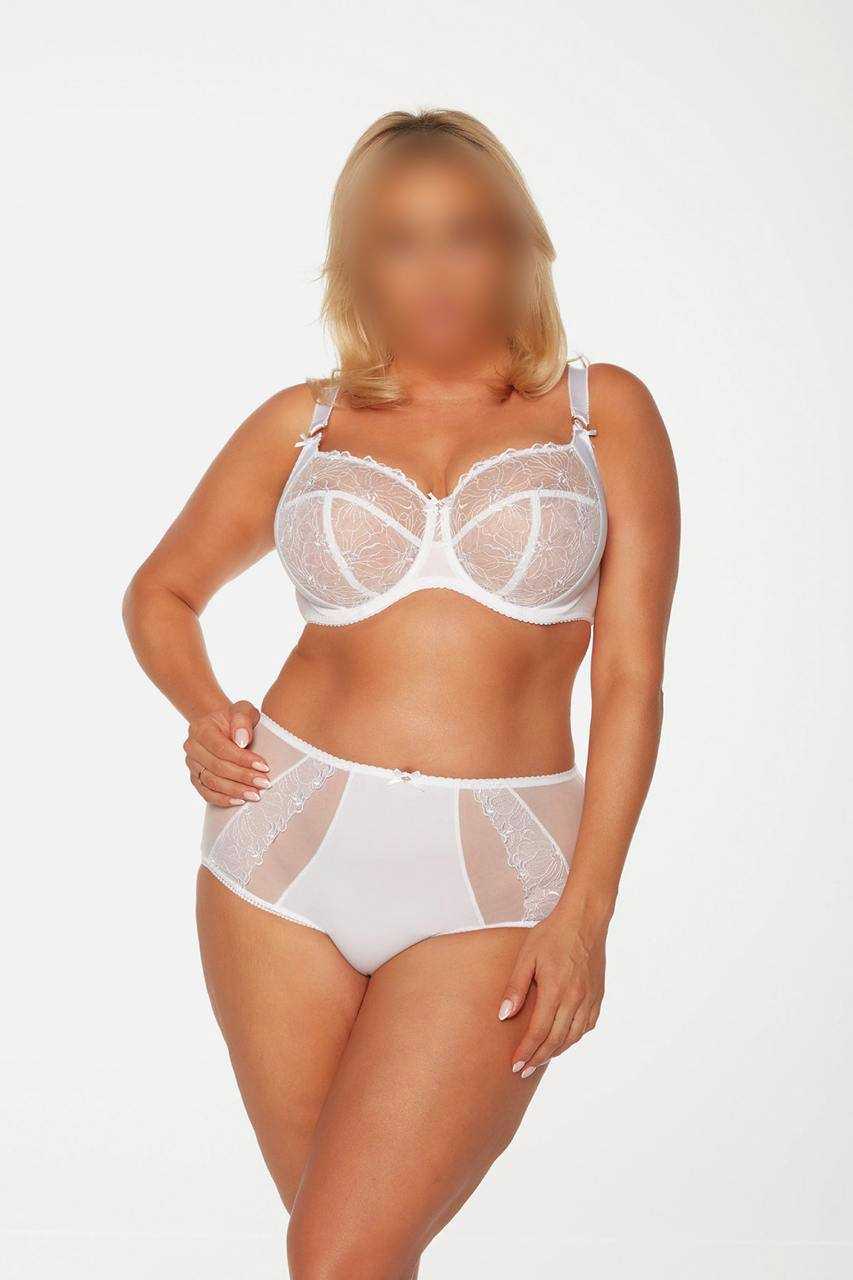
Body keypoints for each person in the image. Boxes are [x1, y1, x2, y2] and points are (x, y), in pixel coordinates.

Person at [124, 108, 680, 1279]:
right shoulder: (304, 422)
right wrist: (203, 708)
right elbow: (161, 592)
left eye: (464, 233)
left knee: (342, 1252)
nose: (434, 270)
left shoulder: (604, 412)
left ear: (518, 242)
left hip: (499, 874)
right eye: (398, 239)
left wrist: (586, 912)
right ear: (357, 260)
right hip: (279, 846)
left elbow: (631, 678)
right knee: (348, 1258)